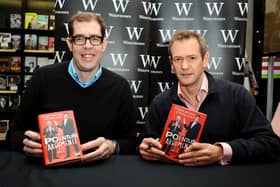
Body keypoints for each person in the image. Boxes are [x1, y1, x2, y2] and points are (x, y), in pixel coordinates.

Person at [7, 12, 137, 163]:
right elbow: (14, 134)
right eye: (80, 38)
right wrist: (26, 144)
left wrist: (113, 146)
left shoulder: (120, 87)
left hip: (101, 175)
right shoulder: (41, 78)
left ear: (104, 44)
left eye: (95, 39)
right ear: (70, 43)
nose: (87, 46)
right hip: (50, 175)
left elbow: (131, 142)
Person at [138, 30, 280, 166]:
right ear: (171, 63)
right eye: (178, 59)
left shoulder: (237, 95)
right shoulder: (160, 103)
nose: (184, 66)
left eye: (192, 58)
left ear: (205, 59)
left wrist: (221, 151)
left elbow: (270, 143)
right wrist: (145, 149)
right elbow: (145, 143)